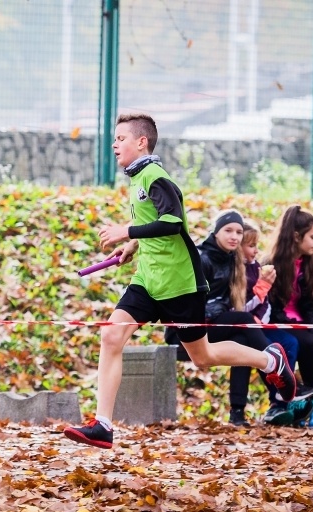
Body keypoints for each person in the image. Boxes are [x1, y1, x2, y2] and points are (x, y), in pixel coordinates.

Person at [62, 114, 297, 449]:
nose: (114, 145)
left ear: (141, 142)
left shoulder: (155, 177)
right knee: (112, 336)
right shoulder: (137, 178)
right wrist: (135, 244)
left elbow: (173, 222)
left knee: (202, 358)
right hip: (148, 279)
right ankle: (103, 425)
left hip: (180, 283)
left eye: (121, 138)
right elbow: (154, 222)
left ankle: (269, 360)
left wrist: (126, 231)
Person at [193, 211, 313, 427]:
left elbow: (238, 301)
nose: (234, 236)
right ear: (215, 231)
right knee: (244, 318)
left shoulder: (233, 258)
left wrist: (261, 289)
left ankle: (237, 413)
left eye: (238, 232)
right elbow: (196, 300)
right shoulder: (203, 257)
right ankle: (283, 381)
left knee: (242, 341)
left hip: (223, 320)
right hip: (196, 325)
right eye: (228, 231)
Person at [262, 205, 313, 429]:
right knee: (304, 341)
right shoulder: (272, 263)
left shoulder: (311, 264)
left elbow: (311, 304)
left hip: (303, 323)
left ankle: (307, 400)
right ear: (296, 237)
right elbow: (272, 305)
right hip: (279, 323)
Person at [242, 219, 313, 426]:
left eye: (256, 245)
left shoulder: (257, 267)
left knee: (291, 343)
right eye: (250, 246)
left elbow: (265, 304)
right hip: (246, 327)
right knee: (273, 346)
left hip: (264, 324)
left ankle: (285, 398)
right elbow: (242, 307)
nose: (256, 251)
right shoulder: (243, 270)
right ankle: (281, 400)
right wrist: (263, 289)